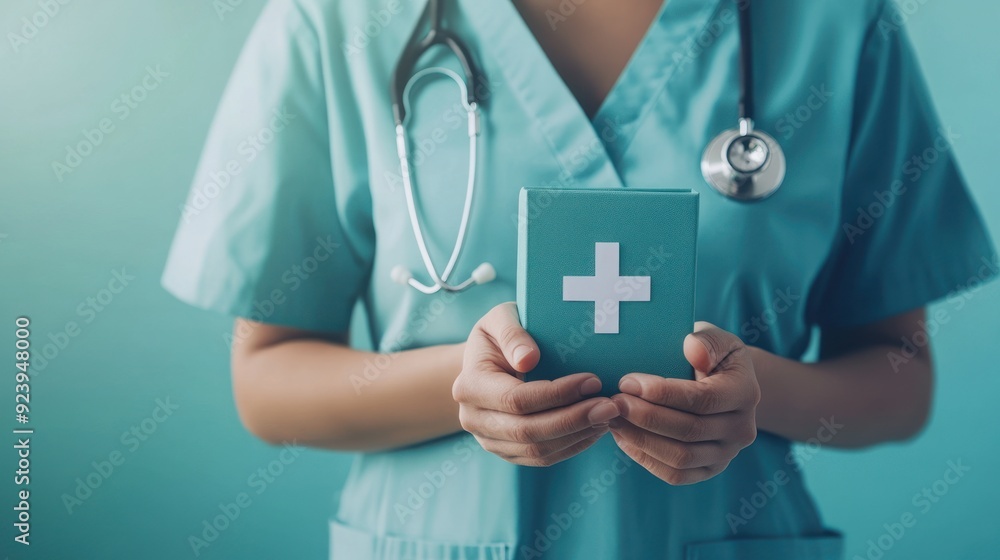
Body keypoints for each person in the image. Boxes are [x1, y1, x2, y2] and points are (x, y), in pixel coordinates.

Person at [162, 0, 996, 558]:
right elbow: (267, 381)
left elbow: (899, 376)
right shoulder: (338, 18)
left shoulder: (836, 22)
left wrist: (754, 395)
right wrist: (460, 385)